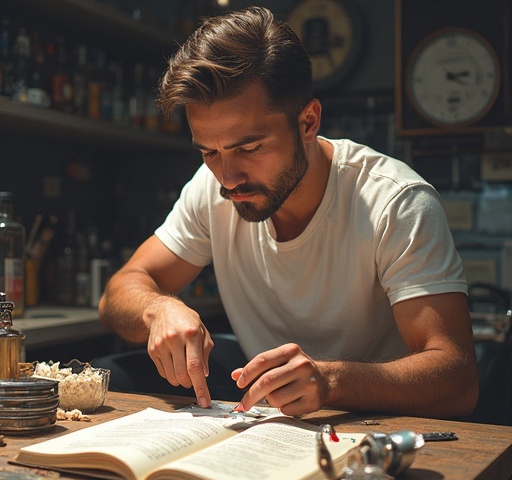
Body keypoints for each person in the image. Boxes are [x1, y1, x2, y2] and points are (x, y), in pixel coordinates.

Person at [99, 6, 478, 419]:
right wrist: (158, 309)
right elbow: (120, 291)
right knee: (113, 373)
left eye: (249, 148)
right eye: (209, 151)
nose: (227, 179)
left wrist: (331, 381)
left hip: (378, 430)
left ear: (308, 122)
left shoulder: (395, 202)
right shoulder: (212, 189)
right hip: (268, 421)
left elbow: (457, 380)